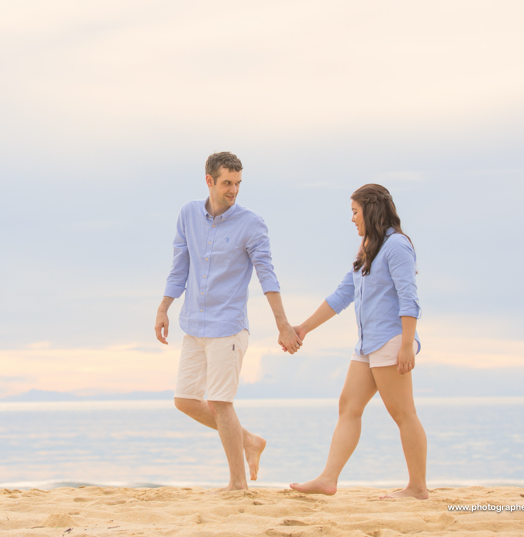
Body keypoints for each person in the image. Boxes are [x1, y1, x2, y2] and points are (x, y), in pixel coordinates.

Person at [155, 151, 301, 492]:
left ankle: (238, 484)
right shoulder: (188, 214)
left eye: (237, 183)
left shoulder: (251, 224)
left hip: (228, 327)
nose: (233, 190)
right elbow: (179, 266)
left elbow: (268, 276)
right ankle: (248, 439)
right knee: (185, 399)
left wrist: (283, 324)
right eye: (227, 183)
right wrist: (163, 308)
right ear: (209, 181)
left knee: (221, 403)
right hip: (193, 324)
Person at [289, 183, 429, 499]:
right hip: (367, 344)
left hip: (391, 341)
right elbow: (343, 294)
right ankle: (328, 479)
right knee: (348, 406)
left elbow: (409, 299)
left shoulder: (397, 246)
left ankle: (417, 488)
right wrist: (304, 328)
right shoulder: (368, 247)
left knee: (403, 413)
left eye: (355, 212)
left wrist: (407, 345)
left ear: (371, 209)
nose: (352, 219)